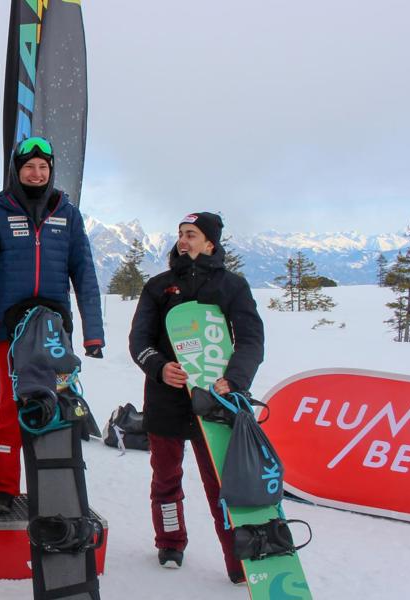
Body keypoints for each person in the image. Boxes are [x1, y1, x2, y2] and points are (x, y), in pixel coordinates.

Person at [0, 136, 105, 514]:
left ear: (51, 170)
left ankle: (55, 484)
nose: (37, 173)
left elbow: (85, 276)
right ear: (16, 170)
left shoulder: (68, 215)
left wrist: (93, 333)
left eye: (43, 167)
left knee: (57, 407)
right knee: (10, 410)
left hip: (55, 333)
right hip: (10, 332)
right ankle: (4, 489)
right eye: (29, 167)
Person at [127, 212, 264, 583]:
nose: (183, 240)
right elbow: (139, 340)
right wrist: (158, 366)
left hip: (215, 401)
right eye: (180, 234)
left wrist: (234, 380)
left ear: (210, 243)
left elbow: (251, 340)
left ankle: (238, 561)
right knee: (166, 477)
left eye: (192, 234)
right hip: (166, 398)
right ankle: (170, 541)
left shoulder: (232, 287)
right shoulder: (159, 286)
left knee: (221, 483)